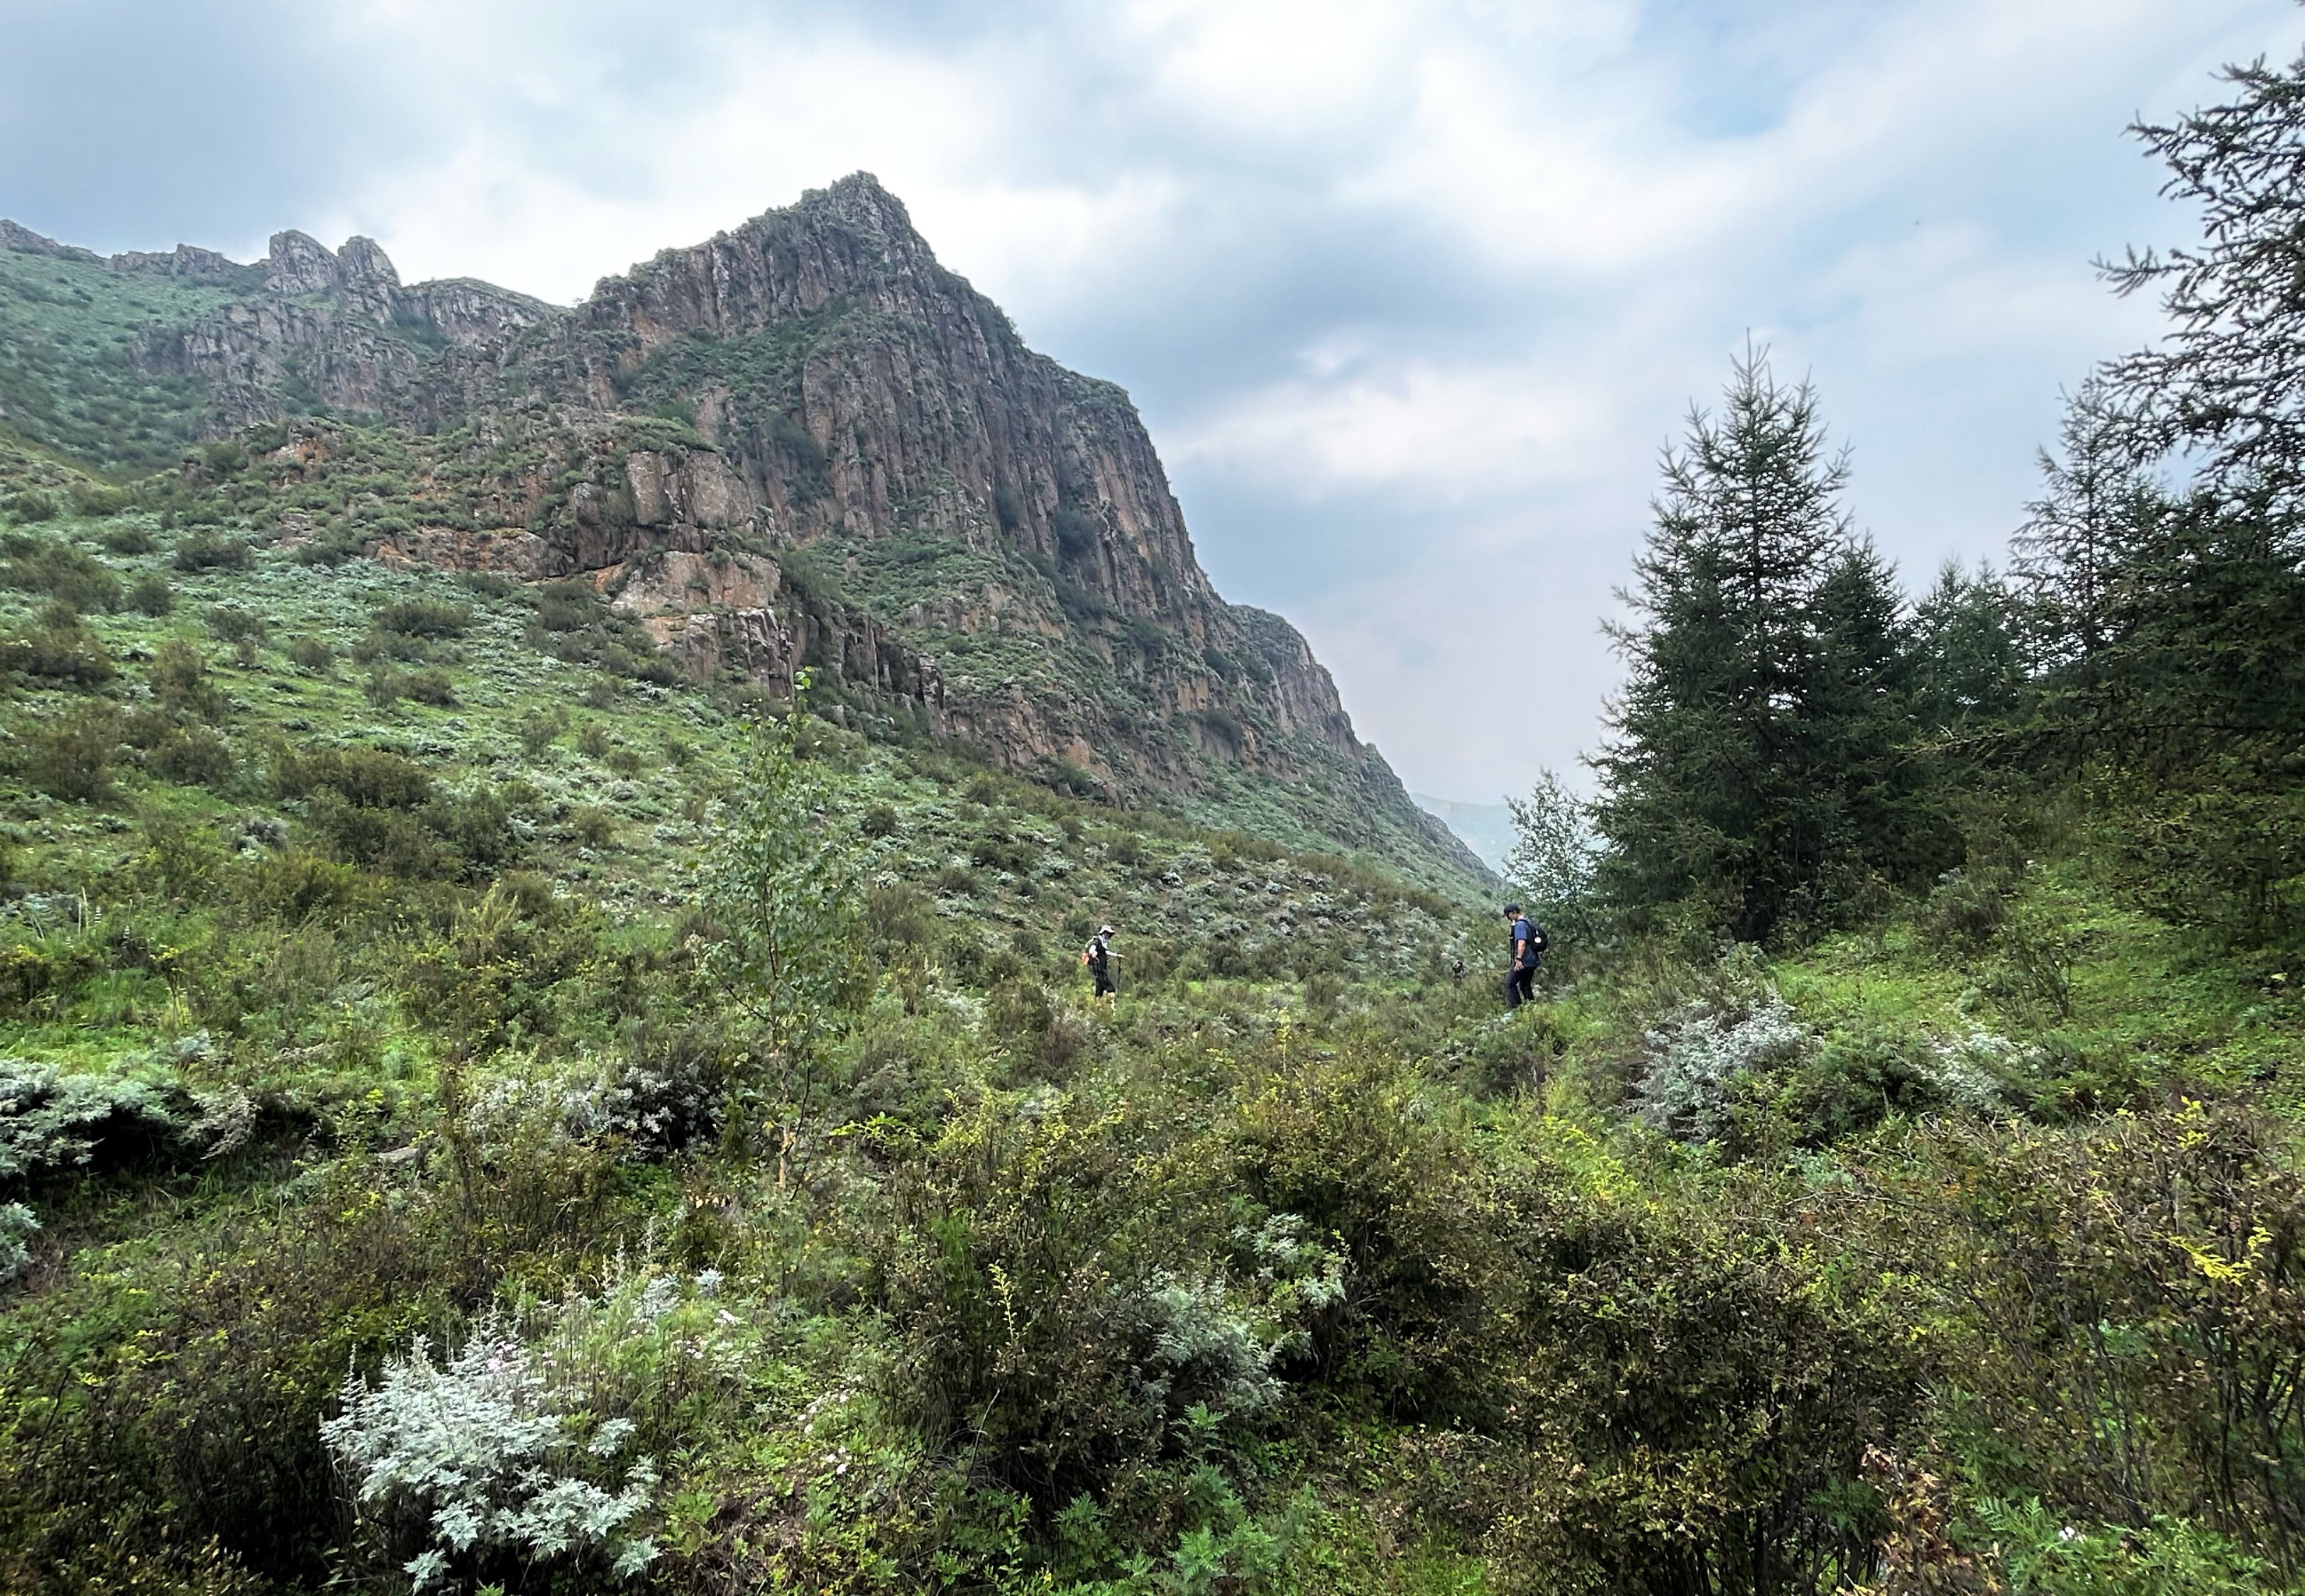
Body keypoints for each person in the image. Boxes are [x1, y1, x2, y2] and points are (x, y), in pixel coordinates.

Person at [1502, 903, 1544, 1009]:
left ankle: (1516, 1009)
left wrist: (1519, 959)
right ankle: (1532, 1008)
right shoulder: (1529, 922)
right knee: (1525, 985)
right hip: (1533, 960)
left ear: (1514, 913)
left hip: (1524, 960)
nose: (1508, 918)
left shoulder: (1520, 925)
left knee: (1510, 983)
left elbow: (1522, 943)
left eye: (1508, 915)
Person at [1082, 923, 1117, 998]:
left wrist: (1117, 955)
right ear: (1104, 933)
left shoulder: (1103, 944)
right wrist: (1094, 953)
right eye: (1107, 933)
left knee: (1099, 985)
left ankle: (1098, 1001)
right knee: (1109, 986)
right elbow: (1091, 950)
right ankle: (1111, 1000)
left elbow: (1105, 952)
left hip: (1101, 968)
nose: (1108, 935)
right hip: (1099, 968)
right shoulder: (1097, 941)